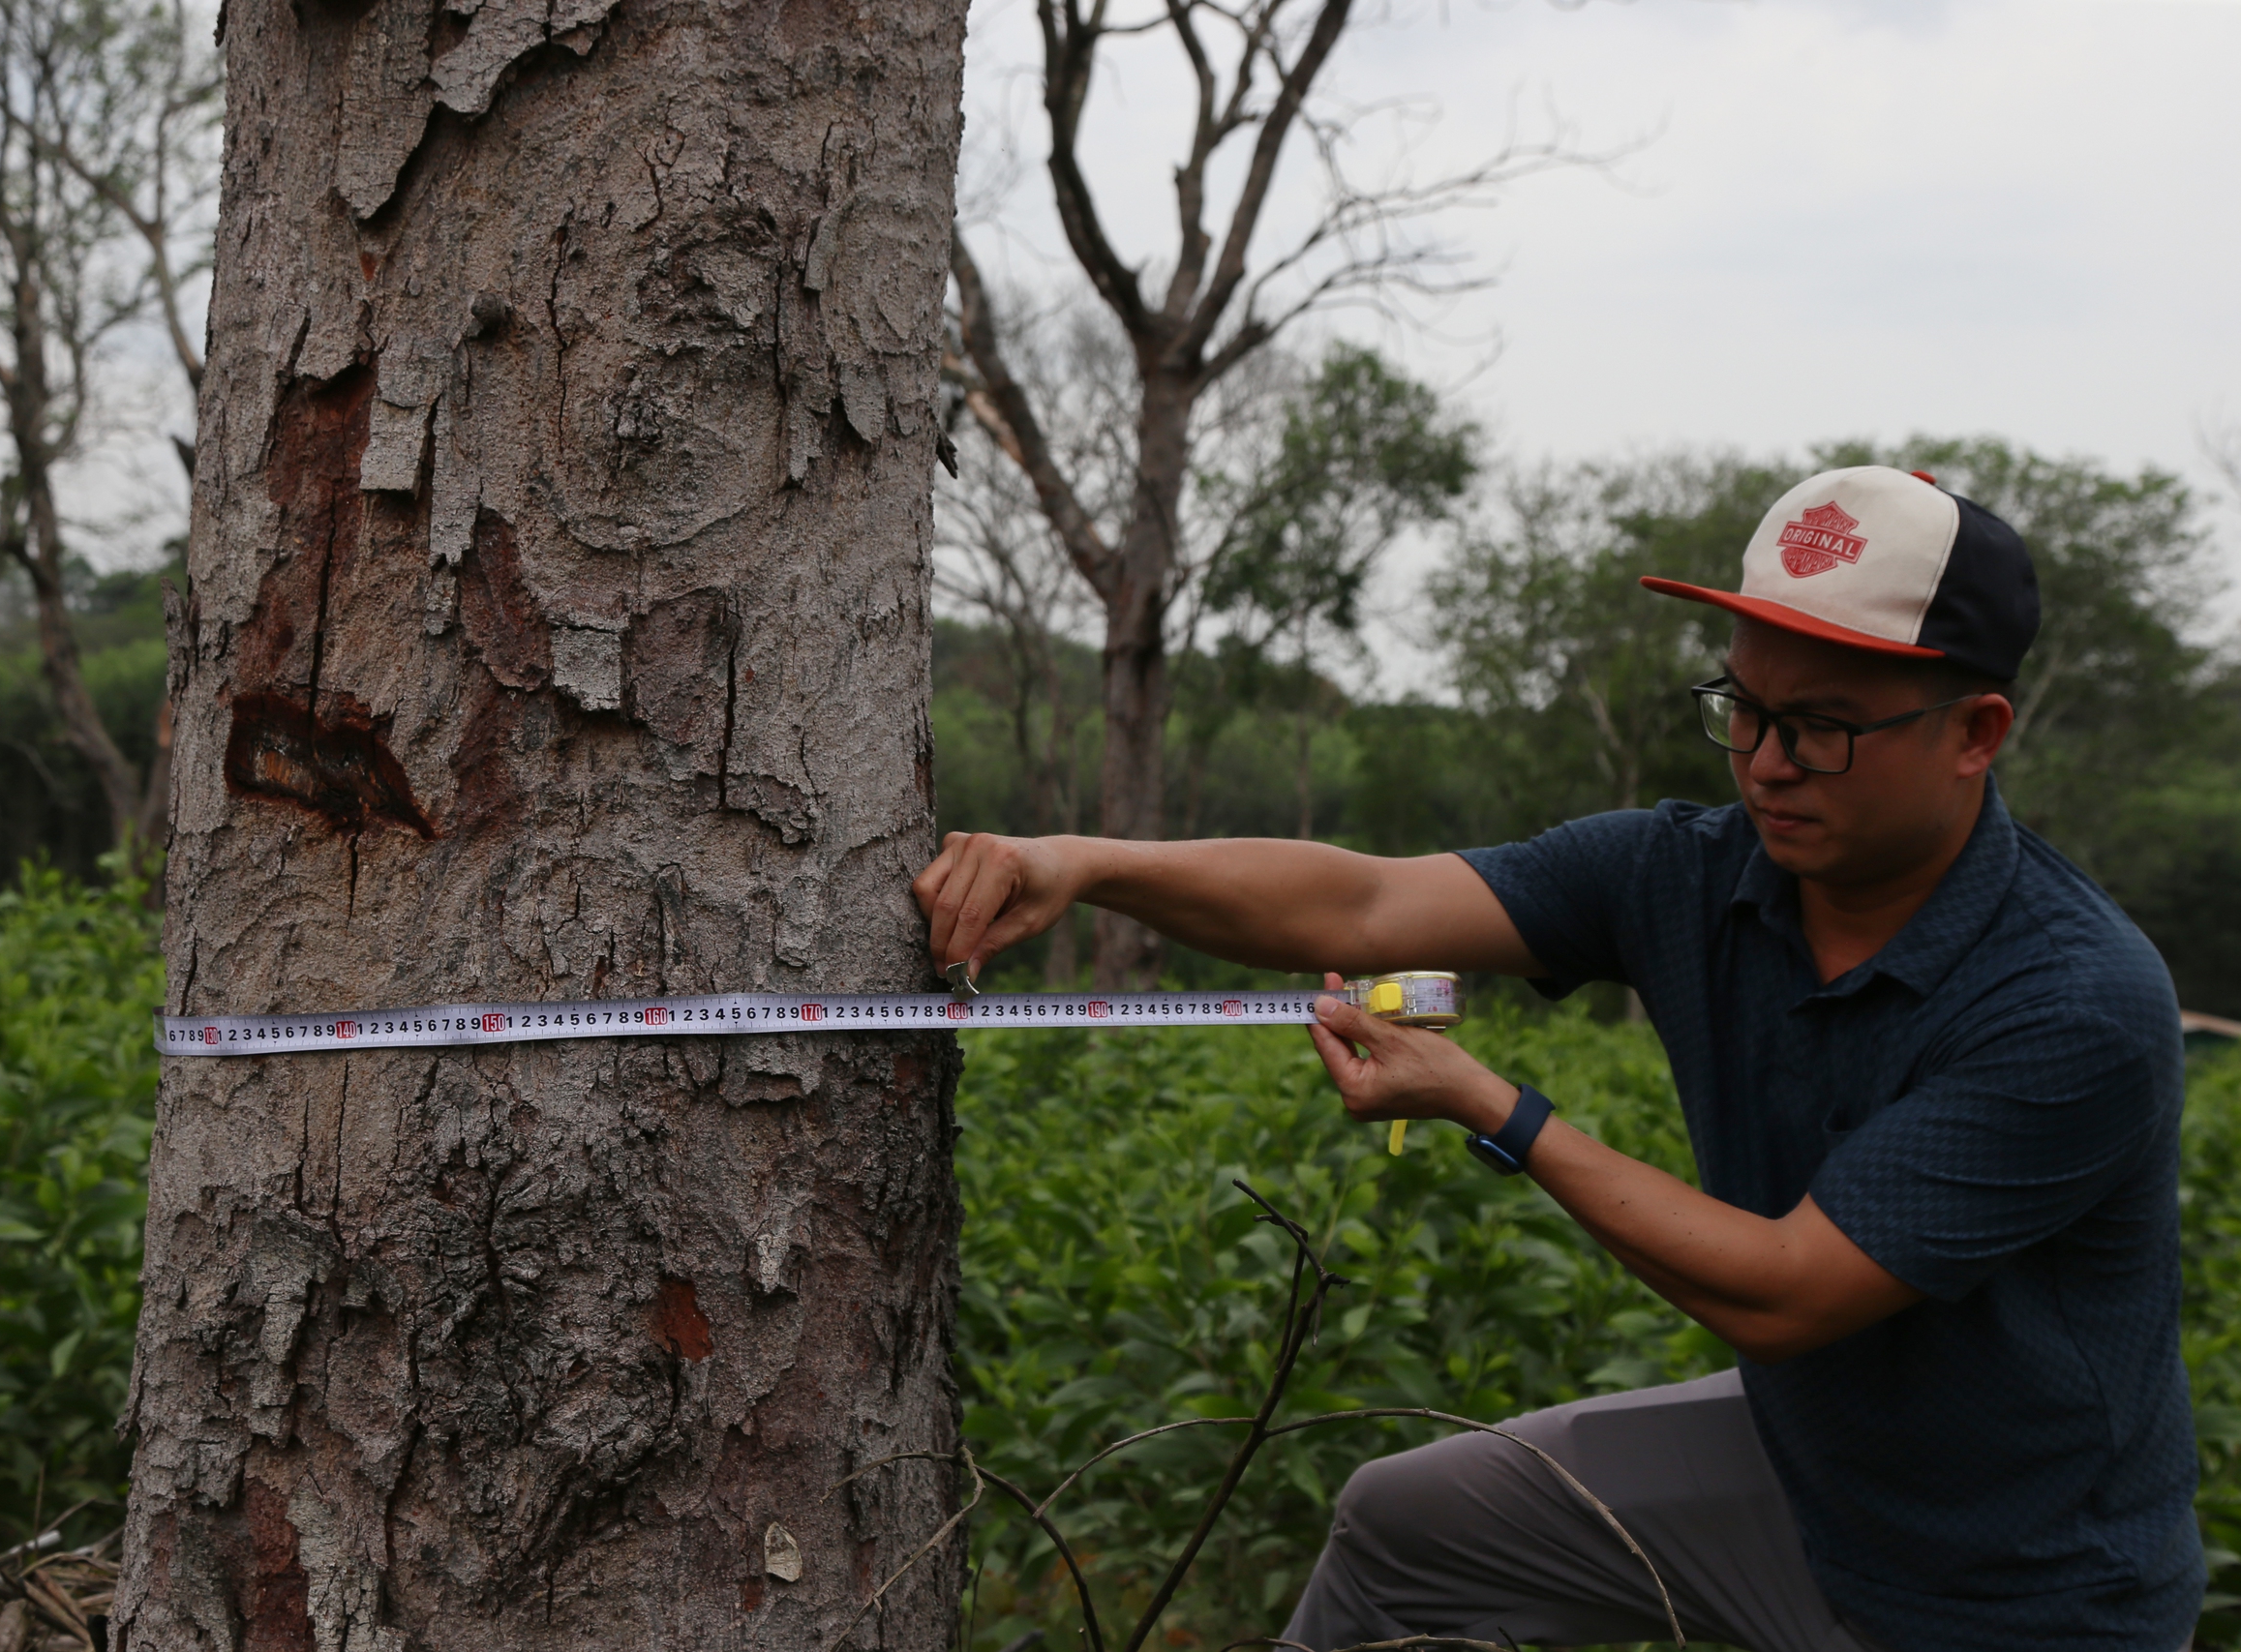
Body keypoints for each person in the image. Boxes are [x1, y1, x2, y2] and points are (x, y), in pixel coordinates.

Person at [911, 466, 2201, 1652]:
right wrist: (1078, 865)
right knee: (1407, 1529)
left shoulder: (2075, 1000)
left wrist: (1494, 1106)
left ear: (1976, 732)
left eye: (1822, 729)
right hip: (1813, 1474)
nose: (1764, 764)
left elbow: (1788, 1292)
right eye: (1742, 708)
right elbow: (1363, 911)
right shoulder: (1690, 874)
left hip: (2018, 1594)